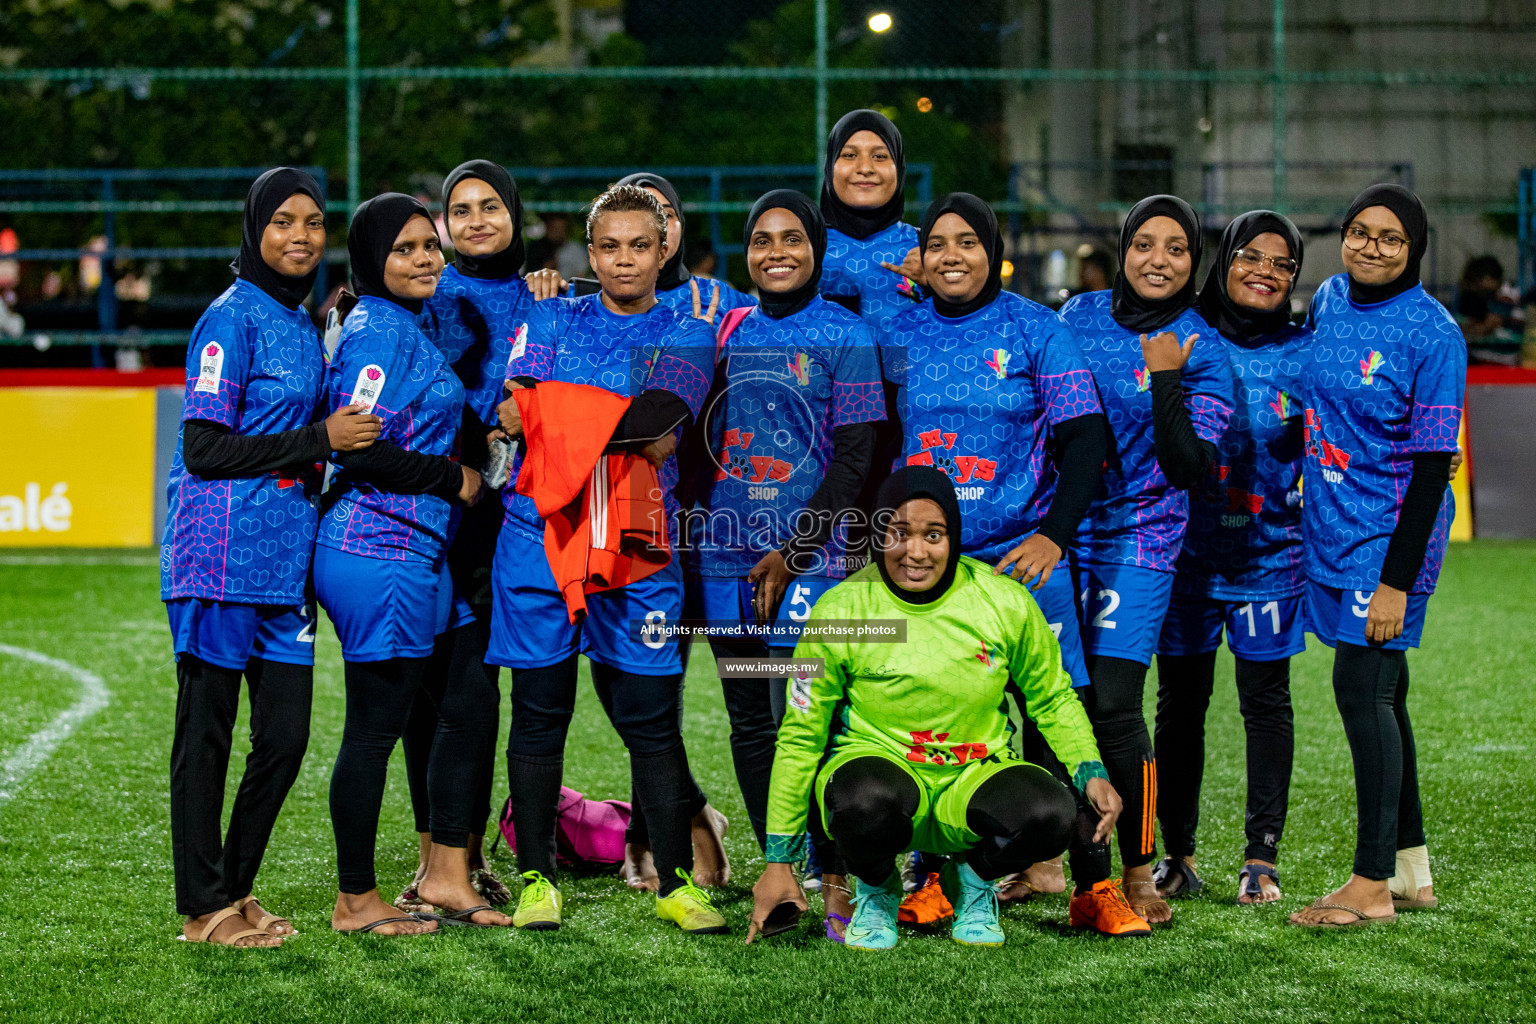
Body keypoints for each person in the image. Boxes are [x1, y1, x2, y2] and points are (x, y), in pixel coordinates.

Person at [745, 467, 1121, 950]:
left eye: (933, 535)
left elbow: (1050, 697)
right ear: (879, 535)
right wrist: (778, 861)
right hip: (882, 775)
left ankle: (971, 879)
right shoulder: (840, 611)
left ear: (954, 538)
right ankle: (876, 888)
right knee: (861, 802)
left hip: (970, 781)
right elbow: (800, 737)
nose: (916, 551)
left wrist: (1090, 768)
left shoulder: (1003, 601)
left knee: (1052, 813)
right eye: (898, 533)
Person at [488, 183, 726, 935]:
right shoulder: (549, 313)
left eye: (640, 245)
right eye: (610, 246)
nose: (625, 259)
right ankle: (537, 881)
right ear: (590, 254)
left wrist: (557, 413)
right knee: (538, 715)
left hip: (637, 547)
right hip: (540, 539)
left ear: (665, 251)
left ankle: (675, 881)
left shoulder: (689, 334)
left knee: (653, 723)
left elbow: (658, 423)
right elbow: (509, 409)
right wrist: (580, 418)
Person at [880, 193, 1123, 929]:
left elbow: (1085, 439)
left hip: (1024, 565)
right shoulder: (899, 331)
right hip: (933, 573)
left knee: (1057, 723)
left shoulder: (1034, 328)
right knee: (936, 722)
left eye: (969, 242)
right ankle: (933, 878)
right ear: (922, 256)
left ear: (994, 250)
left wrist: (1053, 534)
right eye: (939, 243)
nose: (954, 255)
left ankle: (1095, 889)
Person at [162, 168, 380, 947]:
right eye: (283, 221)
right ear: (255, 229)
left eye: (314, 222)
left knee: (285, 739)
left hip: (284, 564)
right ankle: (201, 910)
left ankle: (235, 890)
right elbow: (203, 447)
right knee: (207, 735)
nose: (300, 235)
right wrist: (320, 439)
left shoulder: (297, 320)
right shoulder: (228, 320)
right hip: (217, 553)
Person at [682, 189, 885, 937]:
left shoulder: (848, 332)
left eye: (792, 239)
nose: (777, 252)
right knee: (748, 720)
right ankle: (784, 866)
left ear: (816, 250)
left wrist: (794, 554)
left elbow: (857, 455)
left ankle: (833, 875)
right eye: (762, 239)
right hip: (724, 553)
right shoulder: (730, 328)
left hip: (809, 557)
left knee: (804, 717)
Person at [1289, 184, 1464, 928]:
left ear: (1414, 249)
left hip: (1389, 536)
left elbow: (1432, 467)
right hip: (1331, 524)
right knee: (1385, 694)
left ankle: (1368, 885)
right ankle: (1411, 869)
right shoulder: (1328, 297)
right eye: (1359, 231)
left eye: (1390, 238)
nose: (1369, 247)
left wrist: (1394, 583)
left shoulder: (1435, 334)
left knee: (1361, 691)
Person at [314, 193, 489, 935]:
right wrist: (454, 479)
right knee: (374, 731)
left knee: (465, 705)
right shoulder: (377, 334)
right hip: (378, 547)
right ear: (370, 261)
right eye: (405, 249)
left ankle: (446, 878)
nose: (424, 259)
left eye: (430, 246)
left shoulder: (401, 323)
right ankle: (356, 899)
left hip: (418, 551)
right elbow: (357, 441)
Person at [1058, 195, 1235, 927]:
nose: (1158, 260)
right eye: (1144, 244)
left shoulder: (1204, 347)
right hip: (1061, 535)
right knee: (1057, 703)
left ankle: (1138, 872)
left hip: (1141, 539)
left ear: (1196, 263)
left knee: (1115, 705)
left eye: (1177, 249)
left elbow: (1189, 466)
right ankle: (1067, 870)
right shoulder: (1076, 316)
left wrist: (1165, 376)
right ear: (1123, 248)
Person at [1150, 211, 1310, 906]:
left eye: (1283, 264)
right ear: (1223, 261)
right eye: (1250, 255)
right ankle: (1175, 855)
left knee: (1265, 703)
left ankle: (1260, 859)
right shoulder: (1182, 336)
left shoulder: (1307, 352)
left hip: (1268, 556)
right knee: (1179, 706)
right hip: (1182, 558)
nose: (1265, 272)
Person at [393, 160, 536, 916]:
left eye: (491, 205)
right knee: (437, 695)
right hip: (434, 509)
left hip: (508, 519)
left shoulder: (546, 297)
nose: (477, 218)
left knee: (478, 692)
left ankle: (466, 854)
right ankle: (436, 859)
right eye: (461, 208)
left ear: (516, 212)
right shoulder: (424, 292)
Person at [819, 109, 924, 328]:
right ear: (830, 167)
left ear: (899, 168)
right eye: (849, 155)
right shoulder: (804, 247)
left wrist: (942, 287)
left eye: (880, 156)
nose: (865, 168)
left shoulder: (930, 249)